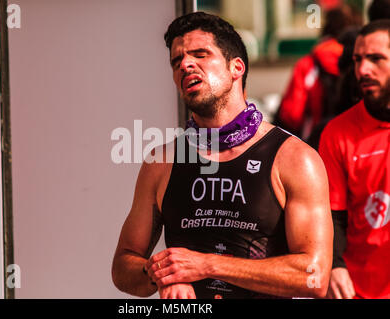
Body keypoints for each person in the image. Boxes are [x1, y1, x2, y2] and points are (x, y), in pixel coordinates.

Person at [112, 12, 333, 299]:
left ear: (236, 67)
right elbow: (122, 266)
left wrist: (206, 265)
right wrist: (162, 276)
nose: (186, 65)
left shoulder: (294, 158)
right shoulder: (162, 163)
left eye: (200, 54)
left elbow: (315, 278)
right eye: (176, 62)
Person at [318, 19, 390, 299]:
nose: (363, 70)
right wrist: (334, 265)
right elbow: (331, 216)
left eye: (376, 59)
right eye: (358, 60)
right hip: (359, 291)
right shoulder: (338, 132)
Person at [274, 5, 361, 141]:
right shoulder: (363, 62)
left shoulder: (309, 63)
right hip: (356, 138)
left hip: (317, 140)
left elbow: (291, 115)